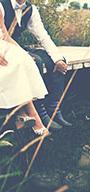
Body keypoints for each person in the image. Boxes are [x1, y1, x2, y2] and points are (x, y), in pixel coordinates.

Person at [0, 0, 72, 131]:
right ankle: (40, 113)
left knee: (53, 60)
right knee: (36, 62)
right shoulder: (2, 4)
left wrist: (58, 59)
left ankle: (54, 108)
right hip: (5, 49)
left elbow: (43, 36)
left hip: (14, 47)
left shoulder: (30, 9)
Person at [0, 10, 49, 135]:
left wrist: (21, 51)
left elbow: (5, 35)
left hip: (3, 46)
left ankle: (22, 115)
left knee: (24, 60)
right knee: (12, 66)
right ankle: (33, 116)